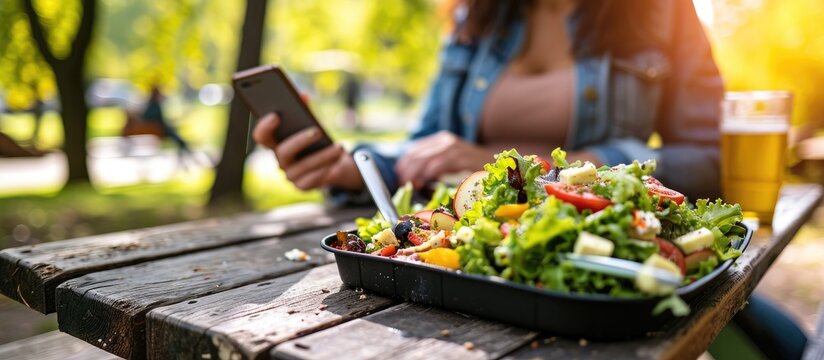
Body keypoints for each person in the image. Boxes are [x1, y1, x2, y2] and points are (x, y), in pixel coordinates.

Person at [253, 1, 807, 357]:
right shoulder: (477, 17)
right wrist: (353, 163)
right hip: (471, 284)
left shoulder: (662, 13)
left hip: (605, 270)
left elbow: (708, 157)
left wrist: (573, 166)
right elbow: (428, 146)